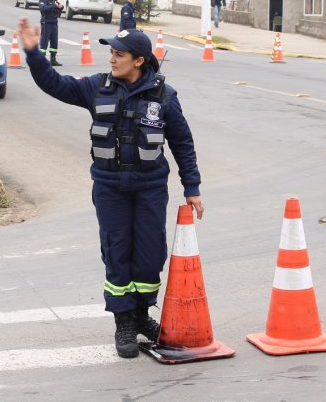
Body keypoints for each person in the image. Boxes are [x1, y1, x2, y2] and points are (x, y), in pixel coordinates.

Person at [17, 18, 205, 359]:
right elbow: (55, 85)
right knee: (117, 252)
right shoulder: (96, 87)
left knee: (149, 256)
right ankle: (124, 323)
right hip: (110, 189)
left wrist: (192, 186)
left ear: (139, 60)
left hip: (150, 188)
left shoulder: (164, 96)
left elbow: (182, 142)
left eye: (119, 54)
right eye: (112, 53)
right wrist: (33, 53)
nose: (112, 59)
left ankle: (140, 314)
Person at [38, 0, 64, 66]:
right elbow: (43, 8)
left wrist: (60, 7)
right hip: (46, 23)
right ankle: (41, 61)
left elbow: (60, 8)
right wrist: (54, 6)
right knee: (44, 42)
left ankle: (53, 60)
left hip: (54, 23)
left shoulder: (55, 0)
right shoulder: (43, 0)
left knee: (54, 42)